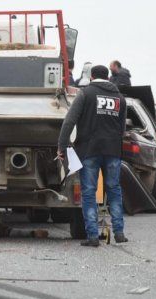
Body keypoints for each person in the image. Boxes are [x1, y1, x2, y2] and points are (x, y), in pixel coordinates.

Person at [58, 65, 128, 247]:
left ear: (91, 77)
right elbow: (122, 129)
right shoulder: (120, 98)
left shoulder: (85, 94)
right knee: (114, 189)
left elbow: (69, 121)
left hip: (89, 150)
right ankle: (119, 233)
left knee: (89, 192)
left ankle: (93, 236)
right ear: (108, 78)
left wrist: (62, 145)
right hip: (113, 150)